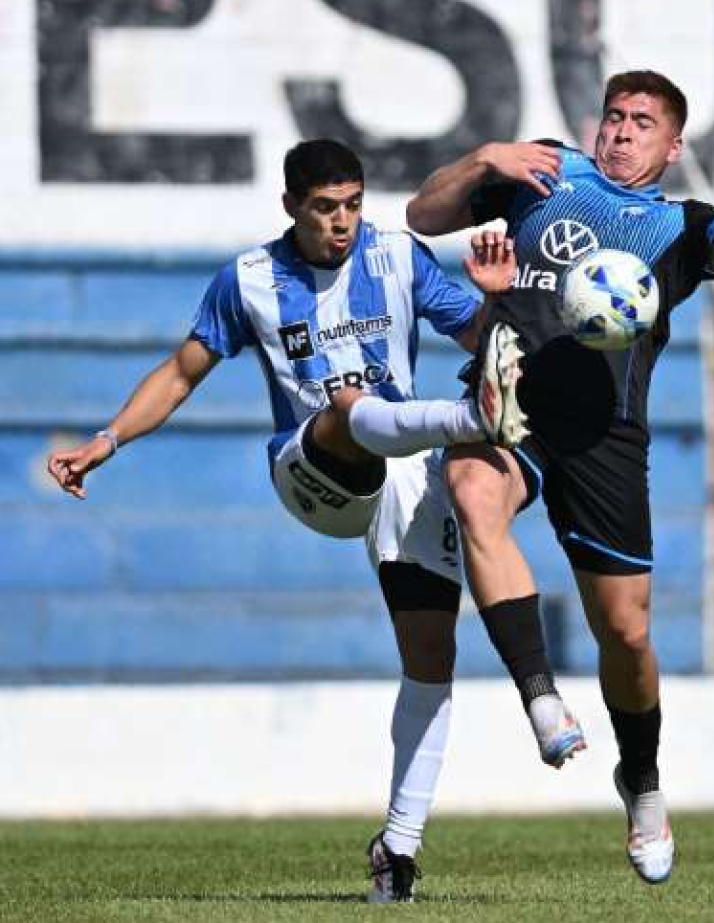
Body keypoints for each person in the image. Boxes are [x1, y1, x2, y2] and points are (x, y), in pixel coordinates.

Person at [45, 139, 583, 903]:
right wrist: (106, 440)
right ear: (291, 205)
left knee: (431, 655)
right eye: (326, 208)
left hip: (402, 468)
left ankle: (397, 846)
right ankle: (466, 420)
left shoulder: (397, 257)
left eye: (353, 204)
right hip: (311, 469)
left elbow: (484, 343)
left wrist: (496, 301)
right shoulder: (249, 280)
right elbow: (181, 372)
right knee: (345, 403)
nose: (343, 222)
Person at [400, 71, 714, 884]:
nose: (622, 130)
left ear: (673, 145)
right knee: (473, 491)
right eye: (615, 116)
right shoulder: (545, 172)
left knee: (624, 634)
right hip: (511, 396)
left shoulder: (678, 228)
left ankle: (642, 781)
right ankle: (540, 695)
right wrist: (485, 159)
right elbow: (423, 214)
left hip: (605, 436)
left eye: (642, 122)